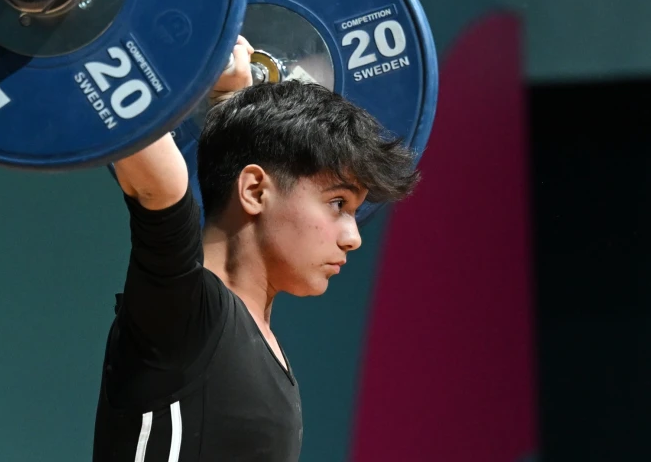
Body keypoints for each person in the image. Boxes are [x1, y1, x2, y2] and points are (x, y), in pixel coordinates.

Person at [92, 36, 420, 461]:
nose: (352, 236)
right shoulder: (185, 314)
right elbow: (155, 170)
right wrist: (193, 62)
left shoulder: (257, 340)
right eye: (337, 203)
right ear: (255, 189)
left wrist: (232, 100)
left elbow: (224, 169)